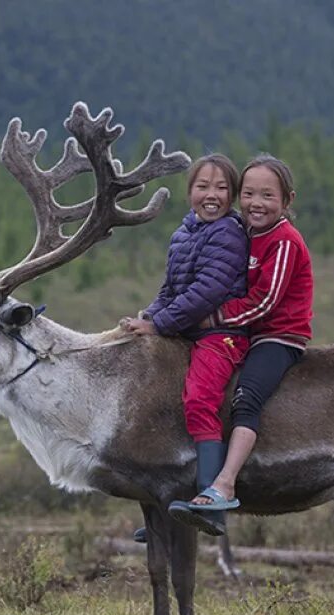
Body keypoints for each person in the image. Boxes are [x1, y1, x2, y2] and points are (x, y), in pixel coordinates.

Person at [168, 153, 313, 527]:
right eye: (248, 194)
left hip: (278, 336)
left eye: (267, 196)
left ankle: (225, 485)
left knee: (245, 400)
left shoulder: (283, 241)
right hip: (248, 332)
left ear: (287, 201)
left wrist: (214, 318)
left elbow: (264, 303)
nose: (256, 203)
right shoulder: (246, 232)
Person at [121, 153, 250, 538]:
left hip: (221, 335)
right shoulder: (185, 232)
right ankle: (169, 507)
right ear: (189, 191)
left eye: (222, 188)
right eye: (203, 186)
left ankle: (211, 505)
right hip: (188, 331)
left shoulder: (228, 233)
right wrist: (148, 316)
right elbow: (171, 288)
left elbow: (206, 291)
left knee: (199, 400)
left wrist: (160, 324)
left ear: (233, 196)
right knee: (160, 400)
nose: (212, 195)